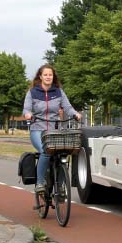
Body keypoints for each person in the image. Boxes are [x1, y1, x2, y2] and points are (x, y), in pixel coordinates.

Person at [23, 64, 81, 192]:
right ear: (40, 76)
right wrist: (28, 114)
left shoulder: (58, 92)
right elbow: (26, 109)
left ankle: (60, 186)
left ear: (53, 77)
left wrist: (75, 114)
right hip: (38, 128)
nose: (48, 77)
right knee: (45, 151)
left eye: (50, 75)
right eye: (45, 75)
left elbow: (68, 107)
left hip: (55, 130)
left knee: (62, 153)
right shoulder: (33, 92)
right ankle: (40, 183)